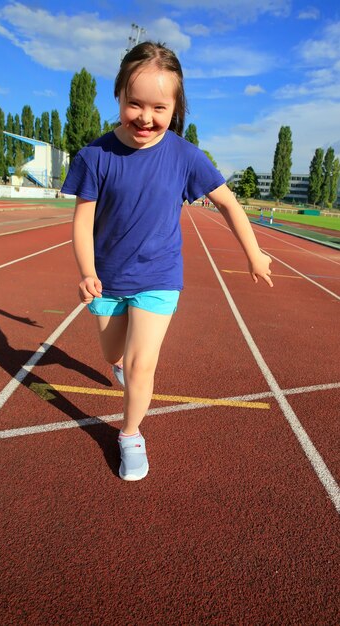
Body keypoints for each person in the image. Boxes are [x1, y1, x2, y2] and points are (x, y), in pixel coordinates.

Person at [61, 41, 273, 482]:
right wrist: (86, 272)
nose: (145, 117)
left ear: (176, 107)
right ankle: (118, 366)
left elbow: (231, 205)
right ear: (118, 95)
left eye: (159, 107)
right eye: (134, 103)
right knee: (113, 353)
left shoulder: (185, 156)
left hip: (159, 277)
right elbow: (82, 223)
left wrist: (253, 254)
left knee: (143, 365)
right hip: (107, 279)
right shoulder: (95, 157)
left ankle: (130, 435)